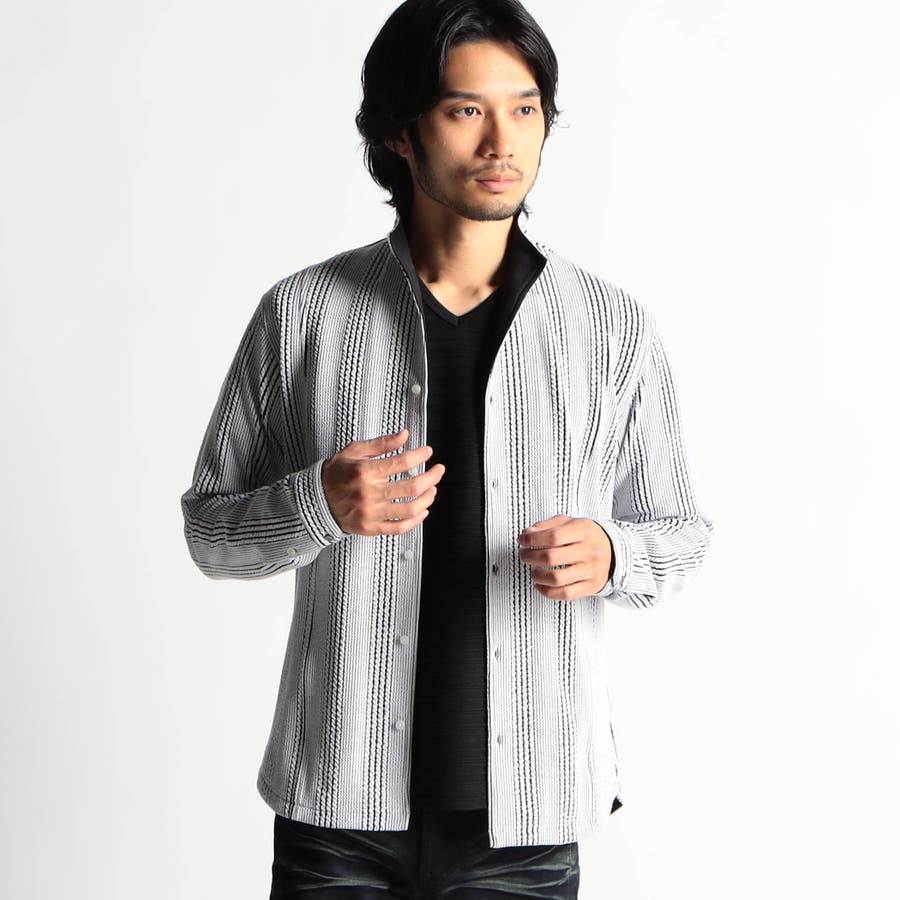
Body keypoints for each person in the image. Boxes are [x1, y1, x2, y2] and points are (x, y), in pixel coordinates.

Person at [179, 0, 714, 896]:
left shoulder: (611, 329)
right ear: (399, 131)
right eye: (467, 109)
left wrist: (615, 552)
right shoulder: (303, 315)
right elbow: (209, 533)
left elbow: (683, 534)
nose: (503, 141)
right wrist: (318, 503)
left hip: (531, 816)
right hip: (338, 813)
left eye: (525, 108)